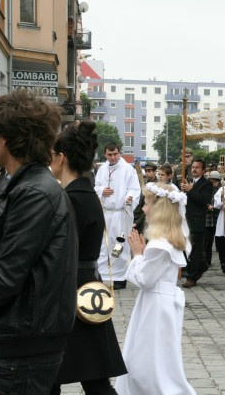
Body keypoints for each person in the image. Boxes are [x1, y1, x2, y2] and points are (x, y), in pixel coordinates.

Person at [0, 89, 78, 394]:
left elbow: (8, 274)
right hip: (26, 343)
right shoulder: (30, 187)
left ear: (8, 138)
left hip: (25, 349)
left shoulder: (34, 192)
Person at [49, 122, 127, 394]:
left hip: (68, 290)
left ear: (62, 158)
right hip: (88, 287)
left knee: (54, 375)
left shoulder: (67, 199)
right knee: (94, 379)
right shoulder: (87, 196)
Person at [115, 182, 196, 395]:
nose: (143, 208)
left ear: (159, 208)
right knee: (149, 359)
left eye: (147, 204)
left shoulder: (161, 244)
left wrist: (138, 254)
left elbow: (145, 278)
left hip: (157, 306)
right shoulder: (167, 239)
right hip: (158, 303)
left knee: (149, 362)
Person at [94, 142, 141, 290]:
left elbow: (135, 188)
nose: (113, 157)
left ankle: (120, 277)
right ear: (105, 154)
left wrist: (129, 197)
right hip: (106, 213)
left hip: (121, 213)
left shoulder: (128, 169)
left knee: (119, 244)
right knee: (104, 244)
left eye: (115, 154)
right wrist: (102, 191)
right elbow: (96, 186)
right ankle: (103, 275)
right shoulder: (101, 169)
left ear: (119, 152)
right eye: (110, 154)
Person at [181, 158, 213, 288]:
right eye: (193, 167)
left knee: (194, 250)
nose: (194, 169)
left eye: (197, 167)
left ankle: (191, 276)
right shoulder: (188, 182)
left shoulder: (207, 184)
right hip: (185, 219)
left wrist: (190, 190)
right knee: (187, 249)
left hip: (197, 221)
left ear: (203, 170)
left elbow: (204, 200)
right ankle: (201, 266)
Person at [133, 161, 158, 234]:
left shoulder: (157, 186)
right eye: (146, 171)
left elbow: (150, 206)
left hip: (147, 219)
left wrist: (137, 222)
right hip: (138, 215)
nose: (147, 173)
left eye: (149, 171)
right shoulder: (143, 182)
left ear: (154, 172)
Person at [204, 170, 222, 268]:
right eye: (211, 181)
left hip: (217, 217)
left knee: (219, 241)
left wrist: (215, 206)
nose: (213, 183)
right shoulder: (206, 189)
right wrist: (207, 205)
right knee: (207, 241)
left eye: (215, 181)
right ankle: (207, 260)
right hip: (207, 218)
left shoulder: (221, 190)